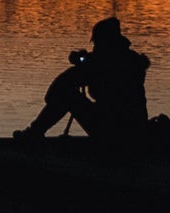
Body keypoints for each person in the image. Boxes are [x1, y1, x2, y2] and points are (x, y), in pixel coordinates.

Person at [17, 16, 151, 143]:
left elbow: (55, 91)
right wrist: (85, 61)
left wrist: (83, 62)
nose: (94, 47)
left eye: (96, 42)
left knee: (66, 95)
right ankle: (35, 132)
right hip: (137, 131)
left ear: (103, 42)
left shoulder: (100, 63)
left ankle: (34, 133)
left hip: (111, 131)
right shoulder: (131, 59)